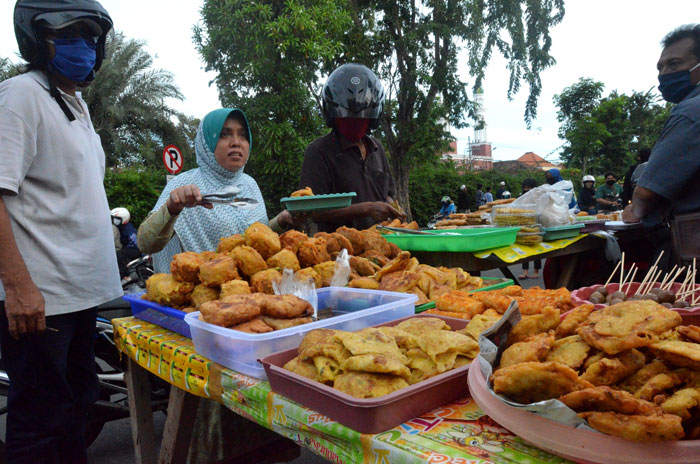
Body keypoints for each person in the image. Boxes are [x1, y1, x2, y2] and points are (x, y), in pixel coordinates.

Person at [137, 108, 297, 462]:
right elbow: (145, 243)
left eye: (242, 134)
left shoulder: (249, 185)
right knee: (214, 417)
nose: (236, 142)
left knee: (257, 404)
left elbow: (250, 246)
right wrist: (172, 209)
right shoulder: (181, 185)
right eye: (225, 134)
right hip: (198, 315)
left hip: (246, 312)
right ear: (207, 142)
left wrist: (280, 222)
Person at [0, 2, 122, 462]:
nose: (83, 45)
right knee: (40, 425)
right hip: (41, 301)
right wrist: (17, 285)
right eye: (69, 34)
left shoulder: (74, 103)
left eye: (91, 36)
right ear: (37, 40)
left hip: (79, 296)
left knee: (76, 413)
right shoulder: (21, 95)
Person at [623, 24, 700, 271]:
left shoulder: (690, 112)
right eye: (660, 67)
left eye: (675, 64)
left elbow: (646, 194)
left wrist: (634, 208)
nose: (664, 73)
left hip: (688, 253)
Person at [299, 63, 404, 232]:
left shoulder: (377, 148)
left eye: (361, 120)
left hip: (380, 245)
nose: (355, 125)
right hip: (336, 251)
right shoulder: (319, 151)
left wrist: (394, 210)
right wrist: (367, 209)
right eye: (349, 120)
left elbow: (387, 195)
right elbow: (311, 211)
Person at [519, 178, 541, 279]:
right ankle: (525, 271)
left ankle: (536, 271)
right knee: (525, 249)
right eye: (525, 188)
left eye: (529, 188)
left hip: (535, 225)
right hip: (524, 224)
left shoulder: (538, 197)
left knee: (536, 249)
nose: (526, 190)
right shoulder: (521, 197)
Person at [111, 207, 141, 280]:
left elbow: (136, 243)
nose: (114, 220)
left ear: (124, 219)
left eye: (117, 219)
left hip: (136, 250)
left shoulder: (128, 231)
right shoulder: (120, 226)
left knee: (119, 254)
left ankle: (122, 276)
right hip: (128, 247)